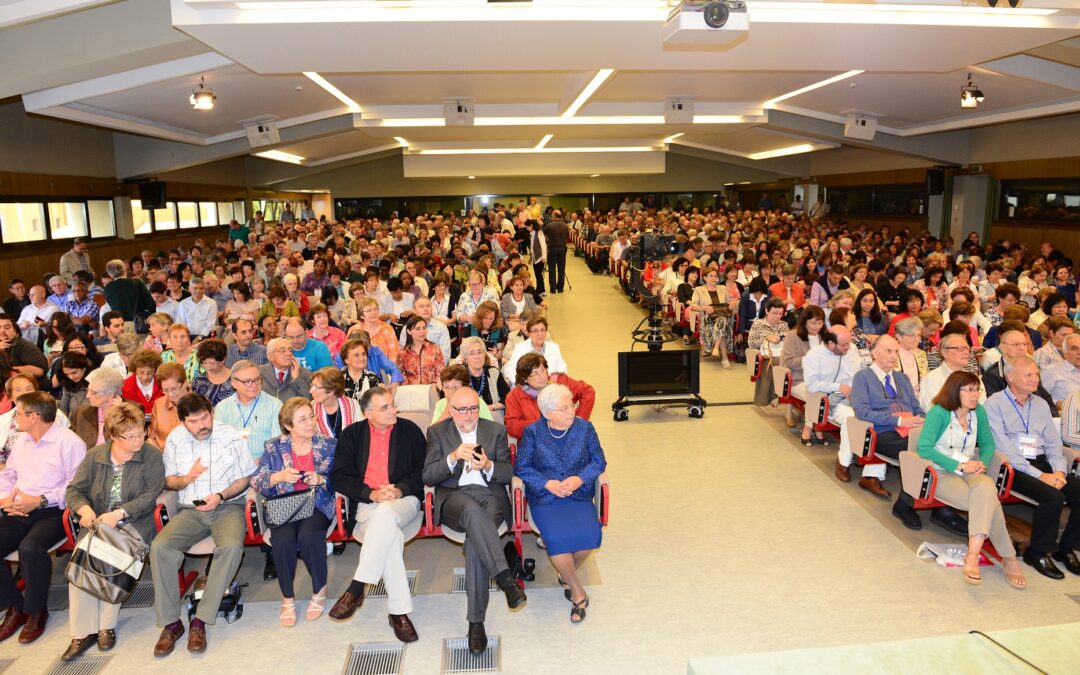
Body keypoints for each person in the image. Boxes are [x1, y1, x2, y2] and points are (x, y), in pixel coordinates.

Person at [151, 394, 256, 657]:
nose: (202, 425)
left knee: (231, 548)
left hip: (227, 507)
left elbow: (245, 479)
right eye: (194, 421)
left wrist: (220, 496)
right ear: (183, 421)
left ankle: (200, 619)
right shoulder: (175, 438)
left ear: (211, 412)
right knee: (160, 547)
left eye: (205, 417)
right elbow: (169, 481)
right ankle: (171, 623)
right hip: (191, 509)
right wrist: (185, 479)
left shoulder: (230, 436)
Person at [423, 387, 526, 655]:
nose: (468, 415)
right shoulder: (437, 432)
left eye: (472, 409)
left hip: (489, 495)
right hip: (455, 498)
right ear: (451, 409)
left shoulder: (495, 431)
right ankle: (505, 578)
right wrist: (453, 457)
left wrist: (489, 465)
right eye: (461, 409)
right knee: (470, 511)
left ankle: (476, 623)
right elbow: (429, 476)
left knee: (474, 547)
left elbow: (507, 471)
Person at [61, 402, 166, 661]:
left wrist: (120, 514)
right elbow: (74, 490)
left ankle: (106, 625)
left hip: (134, 522)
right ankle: (81, 632)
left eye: (140, 432)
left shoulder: (151, 456)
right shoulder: (96, 455)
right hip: (98, 522)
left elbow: (151, 494)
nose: (138, 439)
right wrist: (84, 510)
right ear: (112, 436)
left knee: (112, 557)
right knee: (82, 562)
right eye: (129, 436)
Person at [327, 386, 426, 642]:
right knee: (388, 535)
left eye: (392, 404)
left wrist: (400, 489)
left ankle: (357, 586)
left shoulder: (410, 431)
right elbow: (339, 477)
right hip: (367, 503)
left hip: (403, 501)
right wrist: (369, 493)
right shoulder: (352, 436)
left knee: (386, 515)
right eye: (385, 407)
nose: (393, 410)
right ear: (368, 413)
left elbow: (422, 470)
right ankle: (398, 613)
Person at [916, 371, 1026, 589]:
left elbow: (988, 444)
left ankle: (972, 554)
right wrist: (960, 465)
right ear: (954, 391)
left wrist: (982, 463)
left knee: (985, 488)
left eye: (977, 390)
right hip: (942, 471)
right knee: (988, 502)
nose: (975, 395)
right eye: (969, 390)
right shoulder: (939, 413)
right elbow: (924, 448)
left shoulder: (979, 413)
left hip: (971, 469)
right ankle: (1009, 558)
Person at [851, 336, 967, 535]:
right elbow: (862, 412)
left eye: (896, 352)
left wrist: (922, 420)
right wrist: (898, 421)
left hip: (911, 429)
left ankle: (939, 504)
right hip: (883, 432)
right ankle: (915, 506)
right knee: (920, 452)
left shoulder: (902, 378)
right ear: (874, 352)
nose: (893, 356)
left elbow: (917, 408)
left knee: (940, 446)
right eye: (888, 351)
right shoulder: (863, 377)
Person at [514, 383, 606, 623]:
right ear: (547, 413)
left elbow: (598, 461)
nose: (571, 412)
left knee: (590, 539)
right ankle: (577, 590)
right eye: (564, 408)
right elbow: (522, 467)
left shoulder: (585, 429)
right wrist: (548, 484)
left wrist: (579, 478)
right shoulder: (533, 432)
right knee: (558, 542)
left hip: (578, 494)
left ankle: (565, 574)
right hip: (546, 498)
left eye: (571, 405)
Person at [0, 392, 87, 644]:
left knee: (31, 547)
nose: (15, 418)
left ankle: (36, 611)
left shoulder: (69, 442)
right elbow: (7, 475)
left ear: (34, 416)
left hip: (54, 510)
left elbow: (76, 487)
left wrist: (40, 501)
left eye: (18, 413)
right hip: (19, 507)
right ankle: (14, 606)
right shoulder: (22, 441)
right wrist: (6, 500)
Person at [986, 356, 1080, 580]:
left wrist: (1058, 471)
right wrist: (1041, 476)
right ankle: (1038, 552)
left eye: (1036, 374)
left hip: (1042, 461)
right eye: (1028, 375)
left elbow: (1053, 443)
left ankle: (1066, 548)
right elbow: (1005, 449)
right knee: (1053, 497)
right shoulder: (994, 404)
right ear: (1010, 377)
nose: (1035, 379)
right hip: (1012, 467)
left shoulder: (1039, 404)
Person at [251, 398, 336, 626]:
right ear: (288, 426)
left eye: (311, 416)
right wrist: (279, 476)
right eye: (302, 419)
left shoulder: (328, 445)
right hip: (284, 504)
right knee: (283, 541)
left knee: (309, 536)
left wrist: (321, 479)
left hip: (316, 503)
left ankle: (319, 588)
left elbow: (340, 479)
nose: (310, 422)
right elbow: (257, 481)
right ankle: (287, 596)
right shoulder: (273, 447)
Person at [504, 353, 595, 440]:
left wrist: (579, 420)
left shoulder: (559, 382)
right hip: (535, 442)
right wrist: (544, 425)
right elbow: (512, 427)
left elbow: (588, 392)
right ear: (525, 378)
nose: (542, 376)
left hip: (567, 437)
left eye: (543, 369)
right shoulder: (514, 396)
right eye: (535, 373)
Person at [781, 305, 826, 427]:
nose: (817, 326)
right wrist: (810, 360)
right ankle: (810, 429)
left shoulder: (825, 337)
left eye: (820, 323)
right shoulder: (793, 336)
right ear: (804, 321)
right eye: (813, 323)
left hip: (823, 379)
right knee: (815, 397)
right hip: (799, 379)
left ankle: (819, 424)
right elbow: (789, 361)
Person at [918, 332, 985, 412]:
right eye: (960, 348)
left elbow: (982, 406)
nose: (966, 352)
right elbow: (932, 410)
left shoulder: (974, 379)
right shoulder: (931, 379)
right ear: (944, 353)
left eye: (967, 348)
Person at [689, 267, 734, 367]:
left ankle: (716, 348)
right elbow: (692, 307)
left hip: (723, 318)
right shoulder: (699, 290)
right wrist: (704, 308)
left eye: (715, 276)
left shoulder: (722, 288)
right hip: (708, 319)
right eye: (711, 276)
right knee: (723, 322)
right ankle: (724, 358)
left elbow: (730, 302)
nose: (714, 278)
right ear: (704, 278)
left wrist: (732, 304)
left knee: (722, 320)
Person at [502, 316, 568, 382]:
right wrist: (523, 382)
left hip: (549, 385)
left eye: (542, 330)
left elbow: (562, 366)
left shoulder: (554, 347)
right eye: (535, 331)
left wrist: (554, 378)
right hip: (527, 386)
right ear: (529, 333)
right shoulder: (520, 348)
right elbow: (510, 368)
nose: (540, 334)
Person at [72, 367, 125, 450]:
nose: (87, 396)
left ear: (110, 394)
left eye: (94, 393)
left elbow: (122, 443)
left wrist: (118, 414)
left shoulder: (131, 411)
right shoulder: (82, 411)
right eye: (88, 391)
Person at [460, 337, 511, 416]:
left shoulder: (494, 372)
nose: (477, 356)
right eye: (472, 353)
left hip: (492, 416)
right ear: (465, 358)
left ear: (484, 354)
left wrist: (491, 407)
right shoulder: (459, 374)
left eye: (479, 352)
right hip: (466, 417)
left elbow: (508, 398)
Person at [309, 367, 361, 437]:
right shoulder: (310, 408)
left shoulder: (353, 405)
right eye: (312, 385)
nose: (310, 391)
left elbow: (362, 434)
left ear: (331, 391)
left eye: (316, 387)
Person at [102, 259, 154, 326]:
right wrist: (148, 318)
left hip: (120, 326)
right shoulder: (137, 282)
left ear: (110, 274)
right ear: (124, 269)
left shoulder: (107, 289)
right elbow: (151, 304)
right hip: (141, 323)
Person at [261, 338, 314, 402]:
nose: (288, 354)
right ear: (270, 355)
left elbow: (310, 400)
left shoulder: (305, 374)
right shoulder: (259, 373)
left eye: (290, 351)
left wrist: (297, 379)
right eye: (283, 351)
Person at [149, 362, 188, 450]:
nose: (170, 394)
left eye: (174, 389)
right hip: (161, 456)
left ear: (185, 383)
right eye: (165, 390)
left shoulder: (201, 404)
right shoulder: (159, 404)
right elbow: (152, 437)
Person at [397, 316, 445, 385]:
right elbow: (400, 374)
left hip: (431, 390)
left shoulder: (435, 349)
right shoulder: (403, 352)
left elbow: (441, 372)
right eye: (418, 329)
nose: (422, 331)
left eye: (424, 328)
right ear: (409, 331)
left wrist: (434, 387)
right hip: (409, 391)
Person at [893, 316, 929, 402]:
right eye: (911, 335)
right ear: (898, 336)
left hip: (920, 401)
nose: (917, 339)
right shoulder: (890, 354)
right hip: (897, 402)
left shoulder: (921, 354)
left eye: (918, 335)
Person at [190, 340, 235, 406]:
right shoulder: (198, 380)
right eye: (204, 363)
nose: (207, 366)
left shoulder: (236, 378)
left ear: (223, 359)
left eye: (212, 363)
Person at [1041, 332, 1080, 408]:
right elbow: (1039, 398)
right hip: (1066, 417)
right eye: (1074, 349)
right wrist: (1057, 403)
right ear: (1064, 352)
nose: (1079, 352)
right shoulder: (1050, 371)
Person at [121, 349, 164, 414]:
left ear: (155, 371)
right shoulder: (123, 386)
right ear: (135, 370)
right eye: (141, 372)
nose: (145, 377)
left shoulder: (163, 384)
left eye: (150, 373)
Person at [543, 210, 569, 293]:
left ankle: (553, 289)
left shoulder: (549, 225)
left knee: (552, 269)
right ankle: (560, 288)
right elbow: (567, 236)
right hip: (562, 248)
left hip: (552, 248)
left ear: (554, 216)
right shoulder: (565, 226)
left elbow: (542, 234)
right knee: (561, 269)